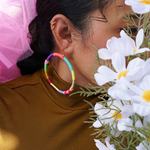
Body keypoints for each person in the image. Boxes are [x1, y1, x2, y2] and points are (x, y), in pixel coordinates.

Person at [0, 0, 138, 149]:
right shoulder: (5, 110)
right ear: (65, 33)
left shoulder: (142, 108)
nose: (145, 49)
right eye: (130, 30)